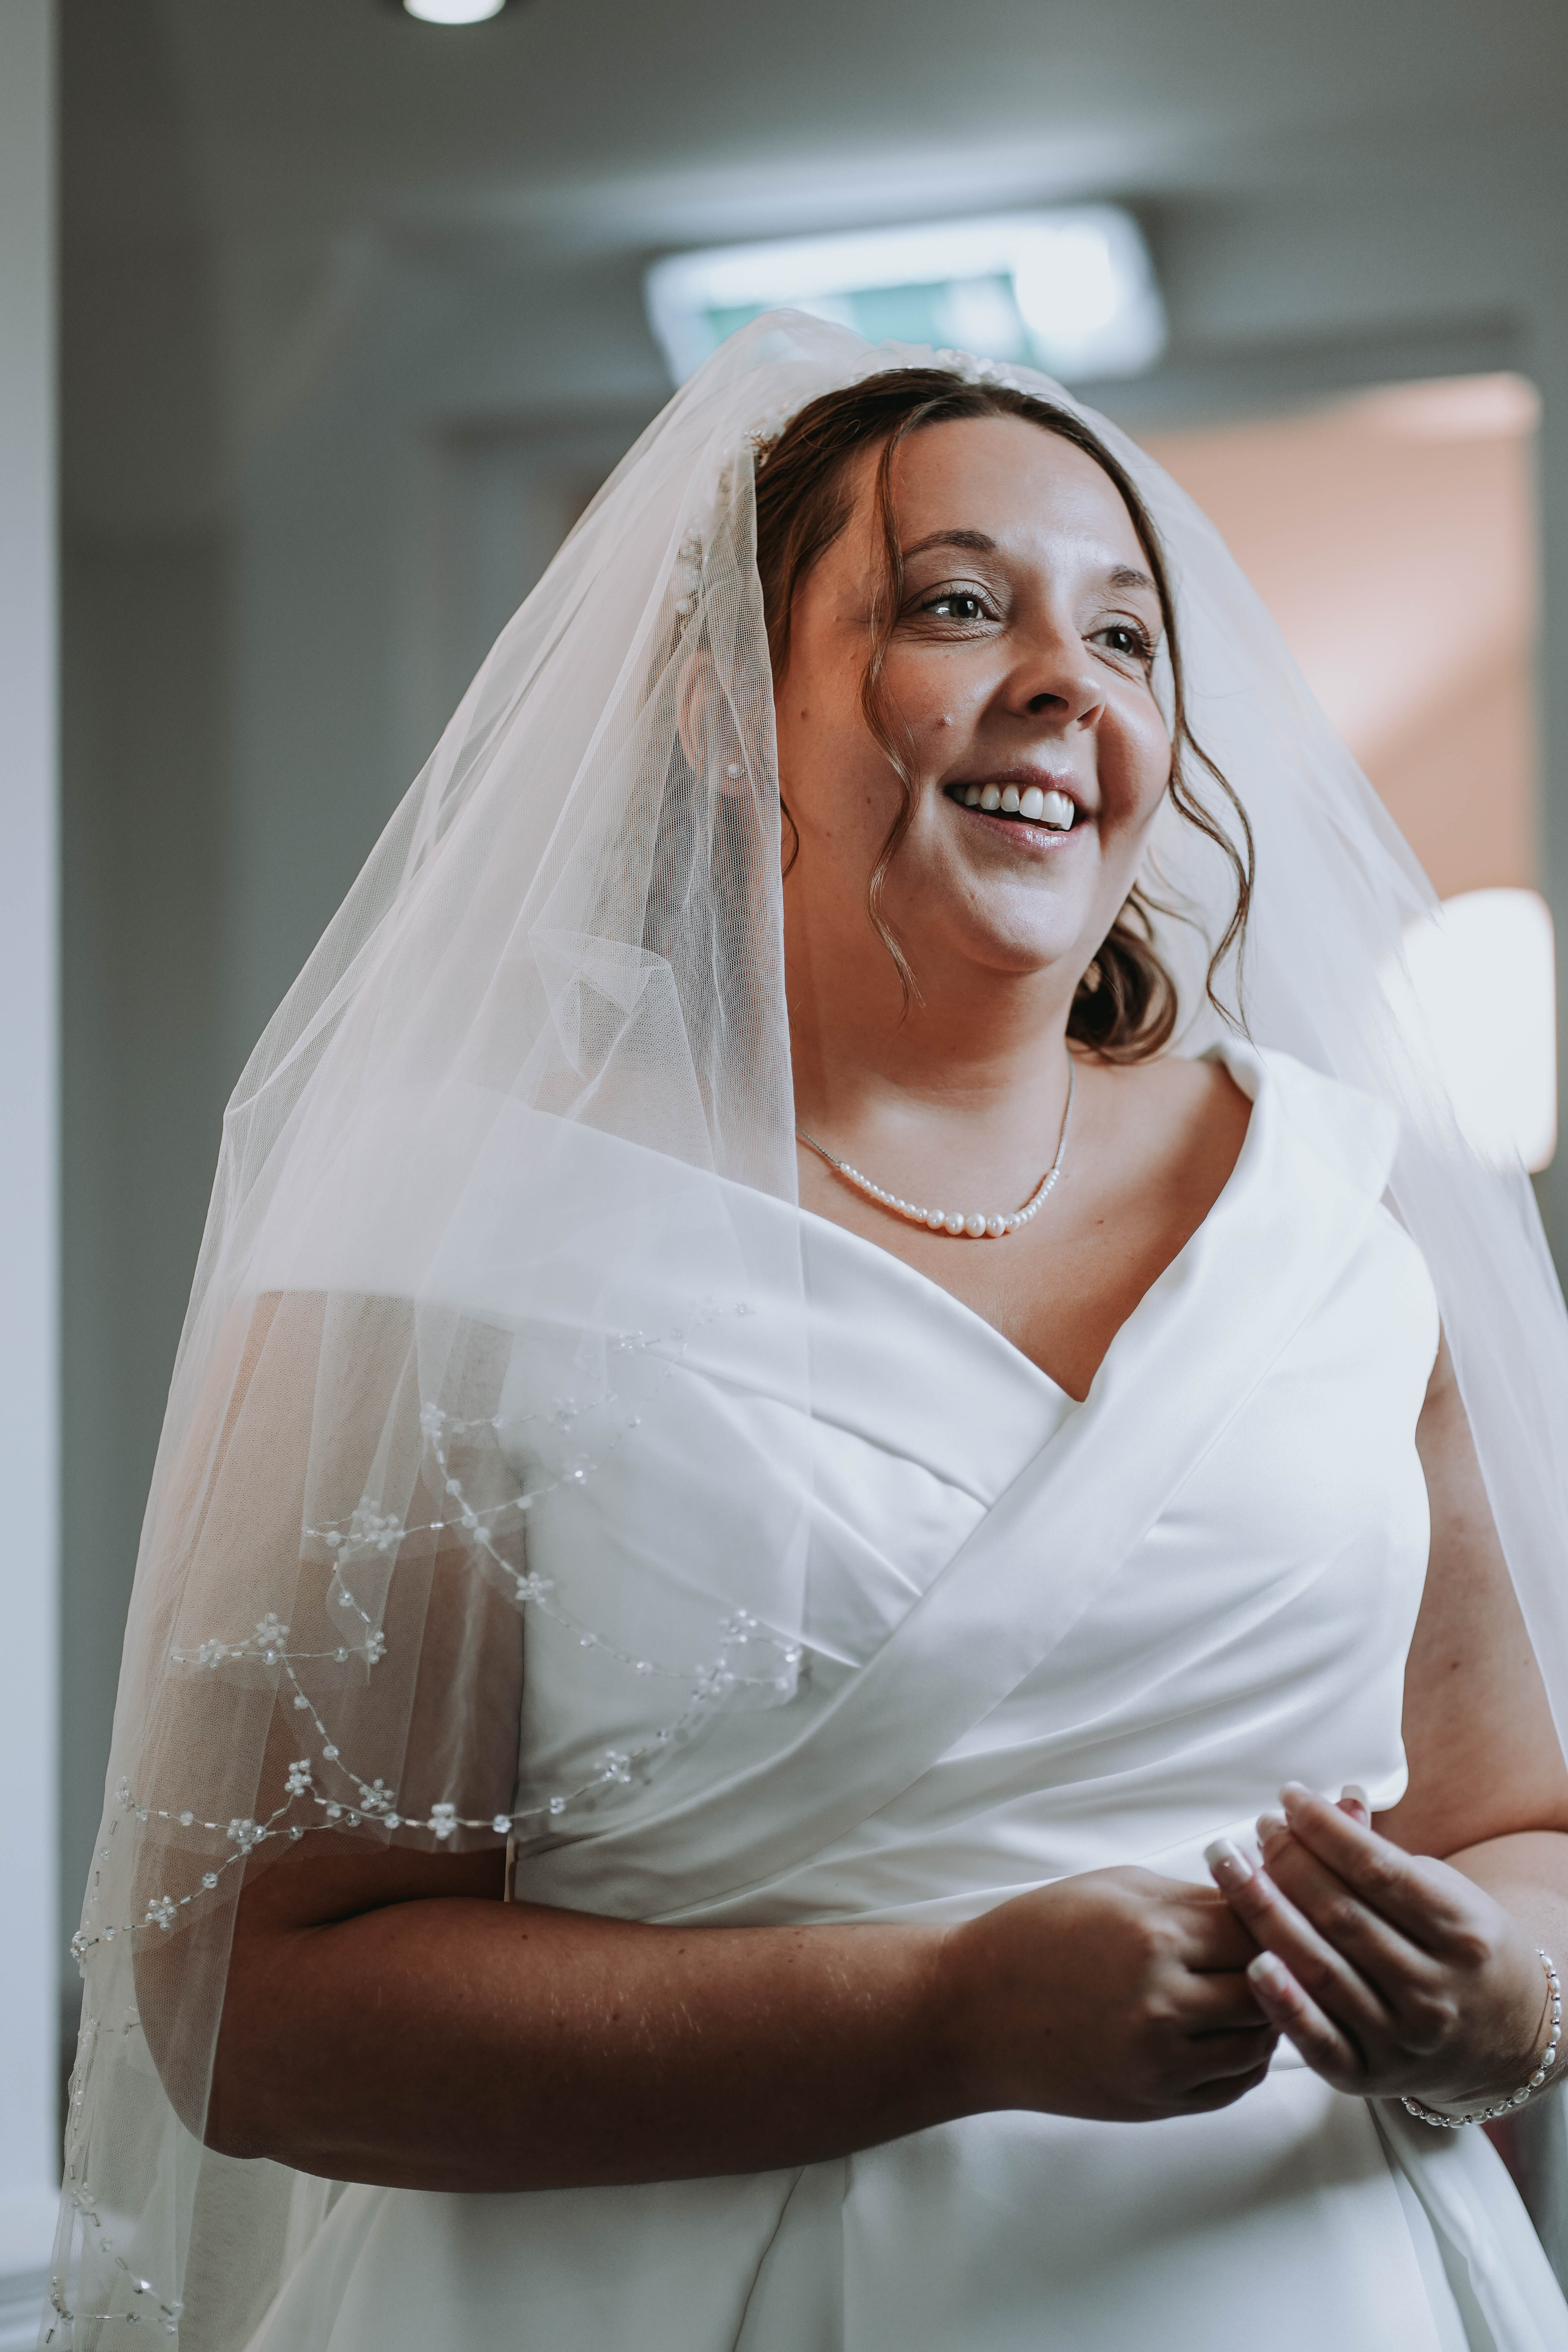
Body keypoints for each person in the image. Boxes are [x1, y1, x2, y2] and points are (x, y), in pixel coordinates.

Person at [46, 315, 1568, 2352]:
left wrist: (1500, 1992)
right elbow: (256, 2011)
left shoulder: (1339, 1209)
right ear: (713, 706)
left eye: (1127, 640)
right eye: (958, 605)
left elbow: (1510, 1828)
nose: (1063, 682)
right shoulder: (455, 1247)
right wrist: (938, 2016)